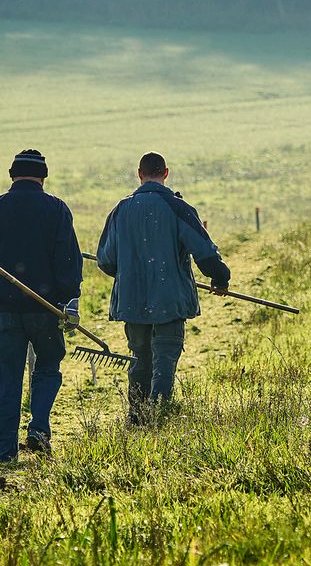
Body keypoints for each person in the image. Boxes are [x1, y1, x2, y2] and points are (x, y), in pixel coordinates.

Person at [0, 149, 83, 462]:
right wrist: (70, 300)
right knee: (48, 366)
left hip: (6, 312)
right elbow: (69, 261)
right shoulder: (56, 209)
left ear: (12, 175)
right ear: (43, 177)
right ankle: (38, 427)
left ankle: (5, 450)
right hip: (47, 310)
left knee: (7, 378)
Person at [96, 152, 231, 425]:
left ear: (139, 173)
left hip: (132, 300)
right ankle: (158, 416)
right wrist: (220, 277)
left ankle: (137, 417)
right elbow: (203, 252)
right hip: (170, 300)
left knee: (139, 358)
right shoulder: (178, 207)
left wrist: (130, 272)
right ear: (166, 173)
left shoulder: (121, 210)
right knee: (165, 360)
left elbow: (106, 261)